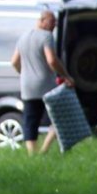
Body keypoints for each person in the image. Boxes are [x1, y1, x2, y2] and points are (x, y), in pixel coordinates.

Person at [11, 10, 75, 155]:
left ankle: (31, 153)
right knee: (59, 116)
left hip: (27, 86)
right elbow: (51, 60)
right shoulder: (46, 36)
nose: (54, 25)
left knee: (30, 120)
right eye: (52, 22)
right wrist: (65, 75)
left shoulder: (23, 37)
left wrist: (24, 73)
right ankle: (44, 150)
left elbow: (14, 61)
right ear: (43, 20)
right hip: (46, 85)